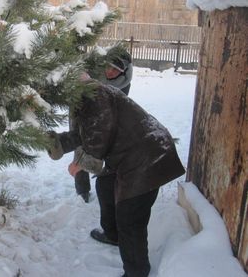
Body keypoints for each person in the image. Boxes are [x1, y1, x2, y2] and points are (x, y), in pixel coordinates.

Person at [47, 73, 185, 277]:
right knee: (105, 185)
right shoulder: (86, 97)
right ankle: (112, 235)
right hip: (129, 151)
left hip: (146, 156)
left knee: (130, 217)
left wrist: (80, 164)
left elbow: (98, 139)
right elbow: (87, 131)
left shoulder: (95, 96)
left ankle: (136, 272)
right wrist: (58, 143)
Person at [73, 48, 133, 203]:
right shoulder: (93, 66)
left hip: (107, 109)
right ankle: (82, 189)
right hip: (81, 104)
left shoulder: (125, 80)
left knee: (109, 141)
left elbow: (120, 102)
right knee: (79, 139)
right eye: (109, 66)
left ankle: (107, 180)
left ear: (124, 71)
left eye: (116, 70)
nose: (111, 72)